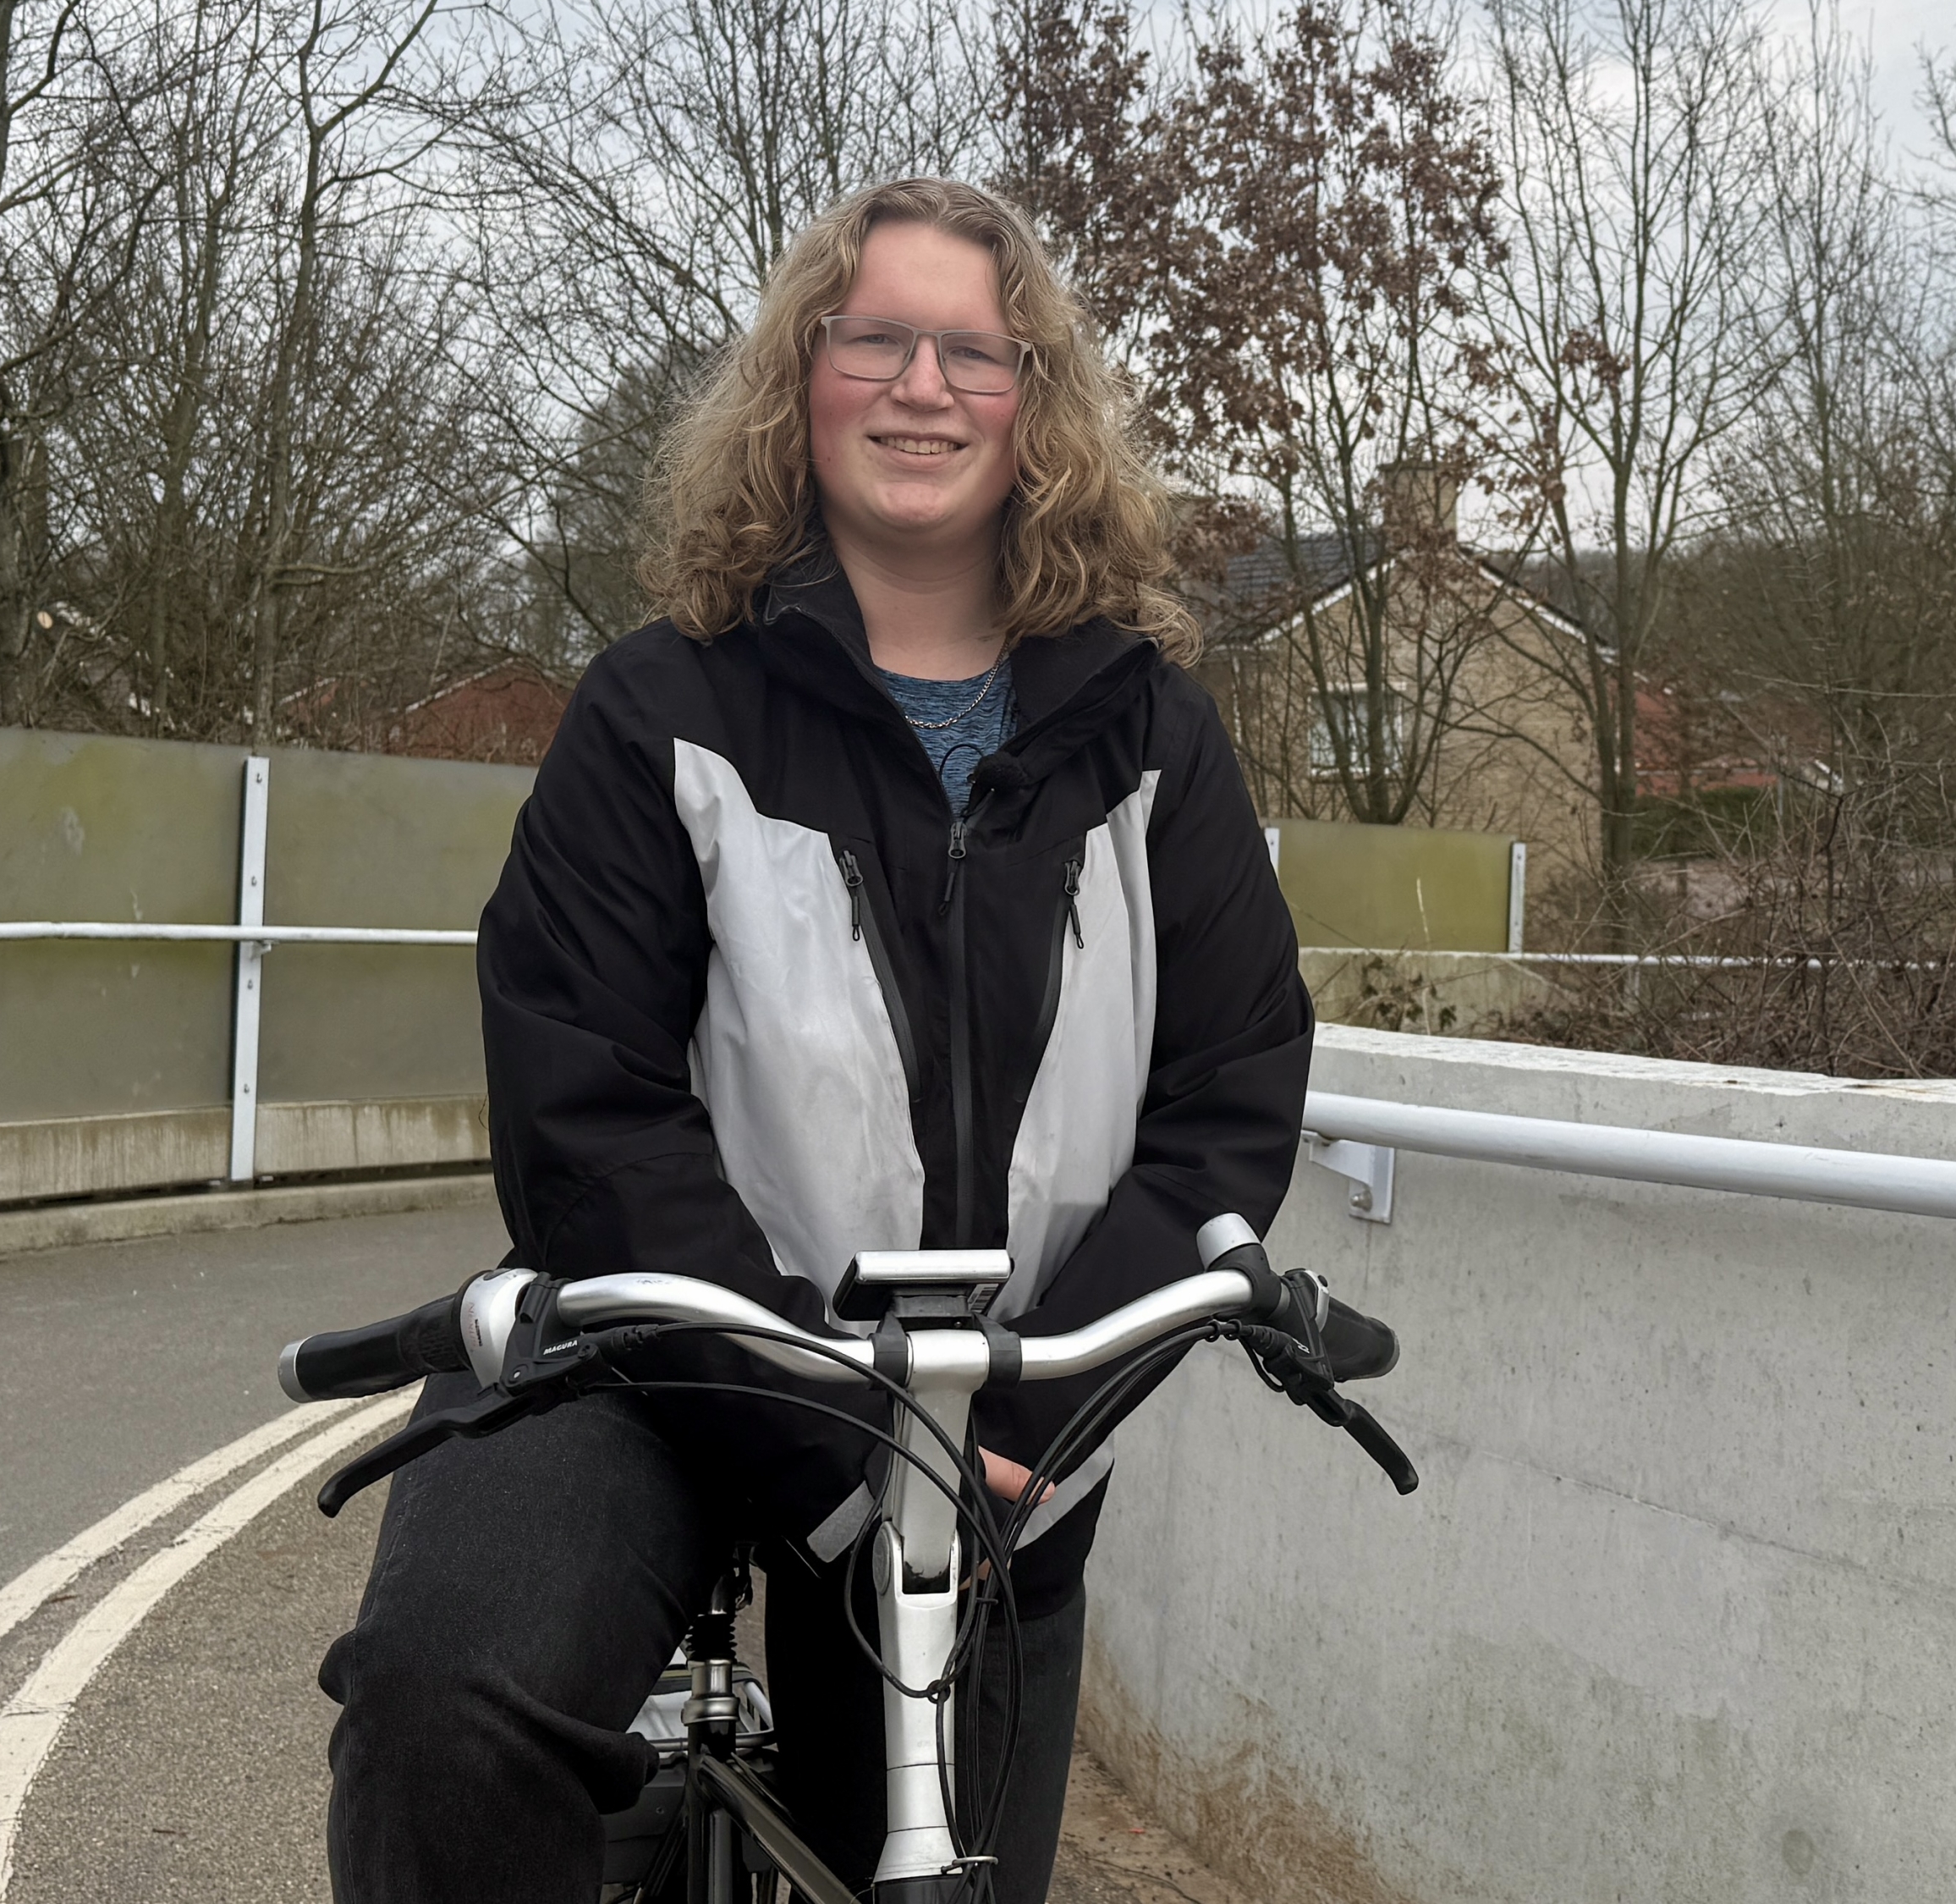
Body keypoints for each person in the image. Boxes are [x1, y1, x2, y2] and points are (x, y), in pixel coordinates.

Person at [317, 177, 1314, 1902]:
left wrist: (1029, 1423)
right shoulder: (660, 708)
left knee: (928, 1867)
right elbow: (585, 1104)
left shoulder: (1150, 737)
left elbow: (1224, 1099)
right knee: (445, 1702)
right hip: (656, 1361)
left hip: (993, 1419)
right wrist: (824, 1443)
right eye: (874, 339)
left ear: (1034, 406)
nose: (921, 384)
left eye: (972, 352)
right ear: (803, 377)